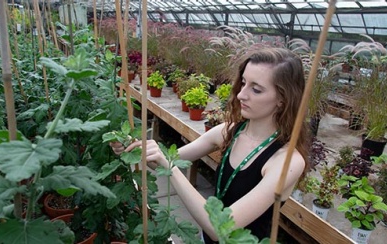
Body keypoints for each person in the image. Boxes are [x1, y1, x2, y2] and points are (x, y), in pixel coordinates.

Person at [112, 47, 311, 242]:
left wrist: (170, 167)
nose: (241, 94)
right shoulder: (228, 131)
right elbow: (165, 161)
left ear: (283, 100)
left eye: (256, 89)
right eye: (243, 83)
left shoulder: (287, 161)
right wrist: (133, 148)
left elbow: (221, 228)